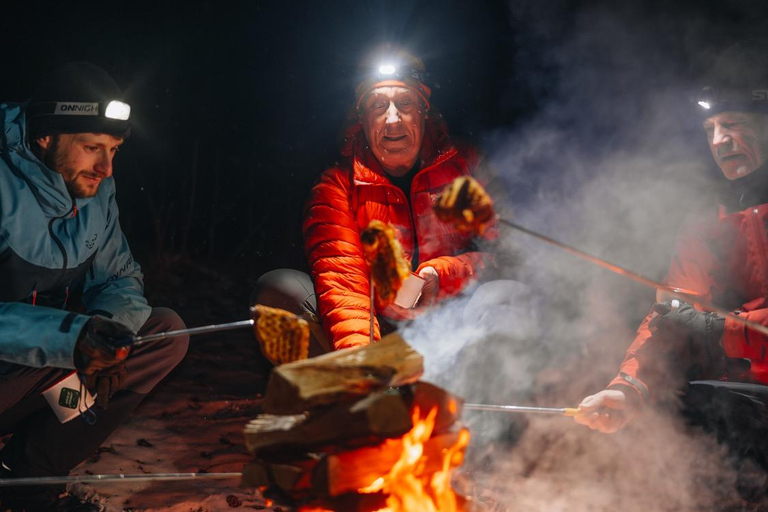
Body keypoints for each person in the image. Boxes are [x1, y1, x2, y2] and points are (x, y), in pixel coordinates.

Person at [574, 40, 768, 499]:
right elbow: (673, 313)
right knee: (673, 447)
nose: (720, 141)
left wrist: (725, 329)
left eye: (734, 125)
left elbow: (711, 325)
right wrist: (628, 388)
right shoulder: (707, 219)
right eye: (710, 129)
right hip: (741, 397)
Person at [0, 62, 189, 510]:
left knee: (162, 334)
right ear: (46, 136)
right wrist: (71, 339)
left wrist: (107, 330)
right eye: (91, 147)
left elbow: (120, 276)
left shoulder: (95, 192)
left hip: (28, 376)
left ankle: (24, 482)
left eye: (114, 150)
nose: (105, 166)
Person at [252, 45, 527, 353]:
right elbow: (343, 283)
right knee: (280, 290)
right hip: (376, 330)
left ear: (424, 111)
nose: (393, 119)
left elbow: (508, 256)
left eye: (405, 102)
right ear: (362, 118)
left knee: (507, 296)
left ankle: (481, 389)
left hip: (455, 328)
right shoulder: (336, 185)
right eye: (378, 105)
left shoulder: (466, 164)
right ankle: (349, 393)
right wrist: (364, 365)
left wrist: (445, 273)